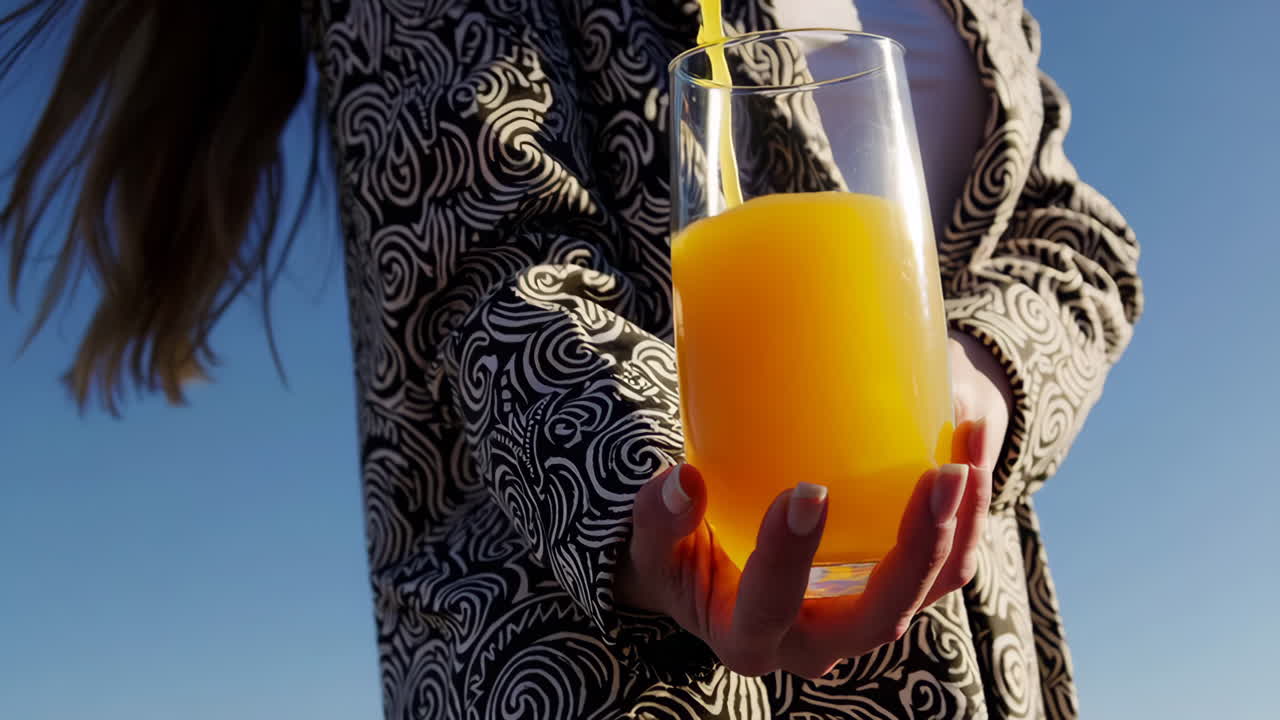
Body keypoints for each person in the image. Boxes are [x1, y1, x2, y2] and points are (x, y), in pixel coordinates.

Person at [1, 0, 1142, 718]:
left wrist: (969, 375)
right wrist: (669, 512)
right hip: (617, 672)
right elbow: (481, 263)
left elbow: (1066, 224)